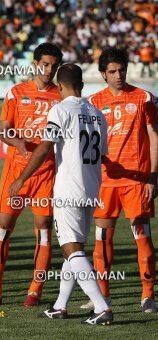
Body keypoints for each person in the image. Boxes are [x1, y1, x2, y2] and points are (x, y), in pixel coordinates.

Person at [9, 63, 113, 325]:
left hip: (69, 188)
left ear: (59, 87)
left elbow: (45, 147)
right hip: (91, 188)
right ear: (82, 85)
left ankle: (101, 307)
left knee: (71, 249)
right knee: (73, 250)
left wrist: (21, 178)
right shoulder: (98, 113)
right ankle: (59, 306)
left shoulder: (60, 109)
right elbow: (101, 154)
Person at [0, 43, 63, 307]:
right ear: (35, 63)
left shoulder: (61, 97)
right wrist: (18, 143)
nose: (49, 70)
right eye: (45, 64)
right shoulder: (15, 93)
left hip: (46, 174)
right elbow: (3, 130)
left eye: (54, 65)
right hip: (14, 171)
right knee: (3, 227)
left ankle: (34, 291)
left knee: (44, 231)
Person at [83, 48, 158, 313]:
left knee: (142, 236)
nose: (118, 75)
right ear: (103, 73)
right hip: (103, 182)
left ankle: (148, 295)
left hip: (137, 181)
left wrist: (152, 177)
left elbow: (153, 136)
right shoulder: (91, 102)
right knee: (102, 240)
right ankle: (102, 296)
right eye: (112, 71)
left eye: (122, 70)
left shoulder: (144, 98)